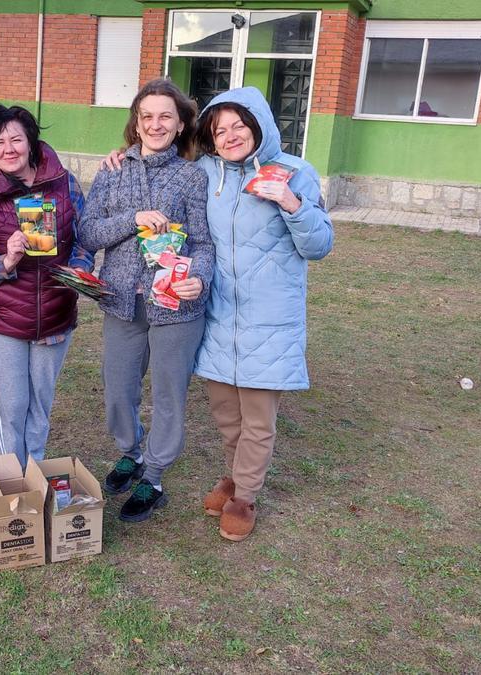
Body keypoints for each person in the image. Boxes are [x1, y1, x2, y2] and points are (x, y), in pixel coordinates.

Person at [194, 87, 334, 542]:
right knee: (225, 413)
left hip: (270, 317)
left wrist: (292, 204)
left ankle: (245, 496)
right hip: (218, 314)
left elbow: (318, 247)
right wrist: (124, 155)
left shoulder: (295, 173)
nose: (230, 136)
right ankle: (236, 476)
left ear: (258, 126)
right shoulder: (205, 173)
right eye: (220, 130)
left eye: (238, 126)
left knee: (257, 417)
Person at [78, 79, 213, 523]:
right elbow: (87, 232)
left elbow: (205, 244)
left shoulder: (193, 176)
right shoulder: (112, 170)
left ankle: (153, 476)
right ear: (136, 122)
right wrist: (132, 220)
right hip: (120, 300)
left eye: (165, 117)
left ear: (179, 125)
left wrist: (196, 275)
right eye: (147, 116)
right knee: (119, 389)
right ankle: (130, 451)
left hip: (176, 304)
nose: (156, 124)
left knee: (169, 393)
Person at [0, 105, 96, 468]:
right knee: (12, 409)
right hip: (2, 322)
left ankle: (36, 475)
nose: (8, 149)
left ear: (31, 142)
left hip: (55, 318)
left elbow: (85, 237)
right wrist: (6, 261)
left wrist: (78, 269)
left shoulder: (64, 181)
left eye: (16, 139)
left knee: (40, 406)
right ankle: (13, 484)